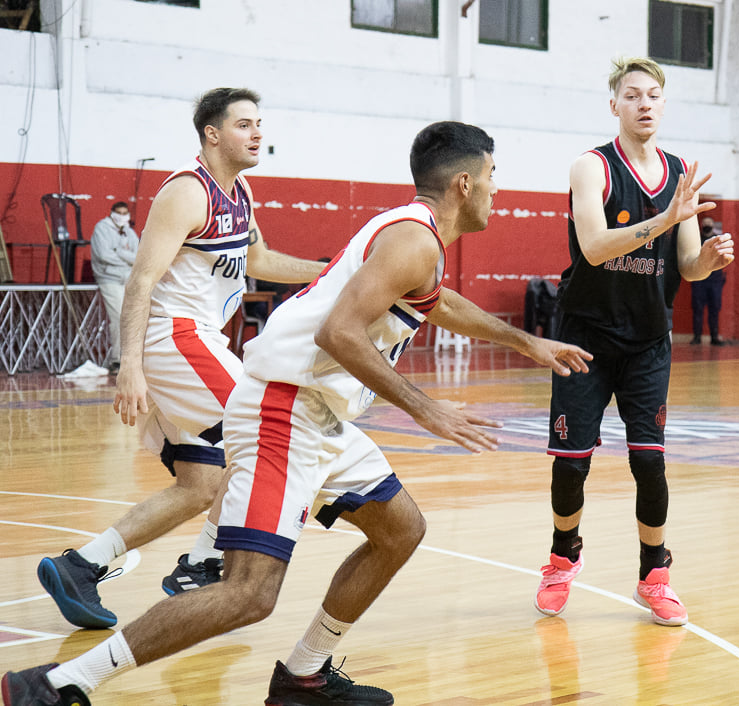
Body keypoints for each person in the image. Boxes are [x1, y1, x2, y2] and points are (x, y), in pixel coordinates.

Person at [2, 120, 592, 706]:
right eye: (493, 175)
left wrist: (525, 343)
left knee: (400, 528)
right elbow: (341, 333)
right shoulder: (414, 240)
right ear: (464, 183)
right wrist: (426, 408)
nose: (498, 188)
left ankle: (303, 676)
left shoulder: (417, 240)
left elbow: (437, 302)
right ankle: (57, 684)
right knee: (249, 596)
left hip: (320, 414)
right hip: (283, 408)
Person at [35, 87, 327, 631]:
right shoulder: (188, 191)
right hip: (176, 338)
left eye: (260, 123)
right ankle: (202, 563)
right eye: (244, 125)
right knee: (272, 431)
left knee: (203, 483)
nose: (258, 132)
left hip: (198, 341)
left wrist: (330, 273)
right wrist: (130, 366)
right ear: (212, 134)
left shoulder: (239, 190)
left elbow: (259, 259)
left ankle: (81, 566)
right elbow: (141, 279)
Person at [533, 56, 734, 627]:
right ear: (615, 105)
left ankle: (656, 574)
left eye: (654, 95)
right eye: (632, 95)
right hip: (585, 338)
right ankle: (561, 558)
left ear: (664, 104)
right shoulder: (590, 167)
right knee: (572, 464)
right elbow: (594, 247)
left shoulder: (681, 172)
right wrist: (665, 218)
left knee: (651, 463)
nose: (644, 103)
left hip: (648, 341)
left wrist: (707, 262)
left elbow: (688, 264)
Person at [89, 201, 139, 374]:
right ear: (111, 213)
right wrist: (127, 259)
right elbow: (104, 255)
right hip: (109, 278)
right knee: (118, 318)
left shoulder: (129, 232)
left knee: (134, 318)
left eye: (126, 213)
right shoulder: (101, 229)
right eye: (119, 212)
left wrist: (119, 252)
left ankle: (132, 359)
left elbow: (138, 256)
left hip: (128, 279)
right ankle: (117, 360)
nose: (122, 216)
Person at [689, 216, 726, 346]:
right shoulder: (696, 240)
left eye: (709, 223)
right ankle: (697, 337)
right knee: (697, 309)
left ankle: (714, 336)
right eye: (705, 224)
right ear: (701, 225)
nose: (707, 225)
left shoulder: (717, 241)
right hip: (699, 280)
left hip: (715, 281)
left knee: (714, 309)